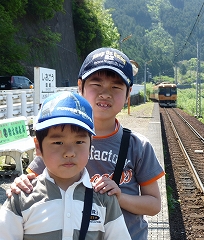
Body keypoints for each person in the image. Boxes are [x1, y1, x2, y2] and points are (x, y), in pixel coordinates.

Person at [7, 48, 165, 240]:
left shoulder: (138, 145)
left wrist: (118, 197)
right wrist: (20, 182)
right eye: (96, 84)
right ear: (80, 86)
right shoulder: (58, 142)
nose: (105, 94)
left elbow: (154, 204)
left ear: (128, 93)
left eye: (116, 87)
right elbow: (32, 181)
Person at [0, 91, 131, 239]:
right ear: (38, 147)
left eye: (79, 142)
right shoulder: (22, 198)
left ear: (90, 145)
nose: (69, 153)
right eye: (58, 142)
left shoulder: (104, 199)